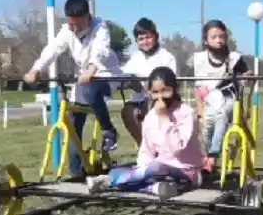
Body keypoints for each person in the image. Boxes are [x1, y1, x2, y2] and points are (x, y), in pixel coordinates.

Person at [24, 0, 122, 178]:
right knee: (73, 123)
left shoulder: (100, 28)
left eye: (77, 24)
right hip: (83, 79)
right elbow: (53, 49)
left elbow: (100, 51)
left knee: (91, 92)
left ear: (88, 17)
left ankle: (109, 131)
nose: (73, 28)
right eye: (70, 24)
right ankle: (77, 173)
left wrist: (92, 69)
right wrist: (35, 69)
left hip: (104, 75)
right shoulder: (67, 30)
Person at [85, 66, 203, 200]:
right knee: (149, 171)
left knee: (156, 168)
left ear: (175, 89)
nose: (160, 97)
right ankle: (155, 188)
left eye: (165, 91)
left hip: (186, 170)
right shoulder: (151, 116)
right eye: (155, 92)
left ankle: (109, 180)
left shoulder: (187, 114)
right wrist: (142, 169)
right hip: (157, 172)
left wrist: (165, 118)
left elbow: (178, 148)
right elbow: (146, 150)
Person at [192, 19, 250, 173]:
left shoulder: (234, 58)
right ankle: (205, 160)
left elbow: (247, 74)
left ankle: (212, 155)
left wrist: (244, 78)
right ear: (206, 40)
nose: (218, 40)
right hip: (210, 101)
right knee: (206, 126)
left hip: (230, 101)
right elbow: (198, 86)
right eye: (214, 37)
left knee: (222, 114)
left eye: (222, 36)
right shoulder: (199, 59)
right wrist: (200, 109)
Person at [119, 17, 177, 146]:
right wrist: (131, 83)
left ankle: (159, 147)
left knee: (152, 111)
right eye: (141, 39)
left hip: (162, 100)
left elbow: (172, 84)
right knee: (128, 111)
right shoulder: (135, 57)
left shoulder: (167, 57)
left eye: (148, 37)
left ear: (156, 36)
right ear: (136, 41)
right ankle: (144, 147)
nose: (145, 42)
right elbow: (124, 77)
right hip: (140, 99)